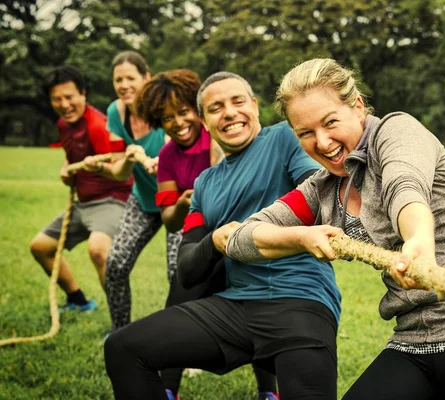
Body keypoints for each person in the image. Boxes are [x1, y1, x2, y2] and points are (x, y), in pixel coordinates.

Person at [226, 58, 445, 400]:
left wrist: (419, 242)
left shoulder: (396, 132)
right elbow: (243, 239)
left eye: (330, 122)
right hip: (414, 344)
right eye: (306, 133)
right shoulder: (320, 189)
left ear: (356, 106)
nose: (322, 142)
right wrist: (301, 236)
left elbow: (405, 186)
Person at [104, 71, 341, 400]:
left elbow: (319, 195)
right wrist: (214, 240)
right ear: (204, 120)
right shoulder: (204, 185)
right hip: (235, 308)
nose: (229, 112)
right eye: (216, 108)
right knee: (123, 348)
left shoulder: (284, 139)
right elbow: (187, 270)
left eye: (238, 101)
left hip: (299, 301)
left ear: (255, 106)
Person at [134, 68, 274, 400]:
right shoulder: (168, 156)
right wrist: (185, 202)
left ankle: (270, 392)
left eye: (183, 112)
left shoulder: (222, 134)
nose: (178, 122)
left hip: (244, 235)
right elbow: (169, 220)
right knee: (178, 302)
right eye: (167, 118)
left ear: (198, 114)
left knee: (261, 305)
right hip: (201, 238)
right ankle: (168, 389)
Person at [84, 50, 174, 332]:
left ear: (146, 78)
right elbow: (117, 171)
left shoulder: (164, 107)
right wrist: (128, 157)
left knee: (179, 274)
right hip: (144, 200)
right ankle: (120, 333)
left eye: (130, 78)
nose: (124, 85)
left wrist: (164, 162)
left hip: (179, 201)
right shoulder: (116, 112)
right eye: (118, 79)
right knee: (115, 266)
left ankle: (187, 348)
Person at [30, 66, 132, 312]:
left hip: (112, 199)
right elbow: (73, 155)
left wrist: (96, 168)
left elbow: (123, 170)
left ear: (83, 94)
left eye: (70, 97)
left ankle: (121, 323)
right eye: (57, 99)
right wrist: (68, 169)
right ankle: (79, 301)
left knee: (98, 249)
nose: (65, 104)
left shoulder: (99, 125)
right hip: (83, 203)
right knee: (40, 247)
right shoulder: (64, 125)